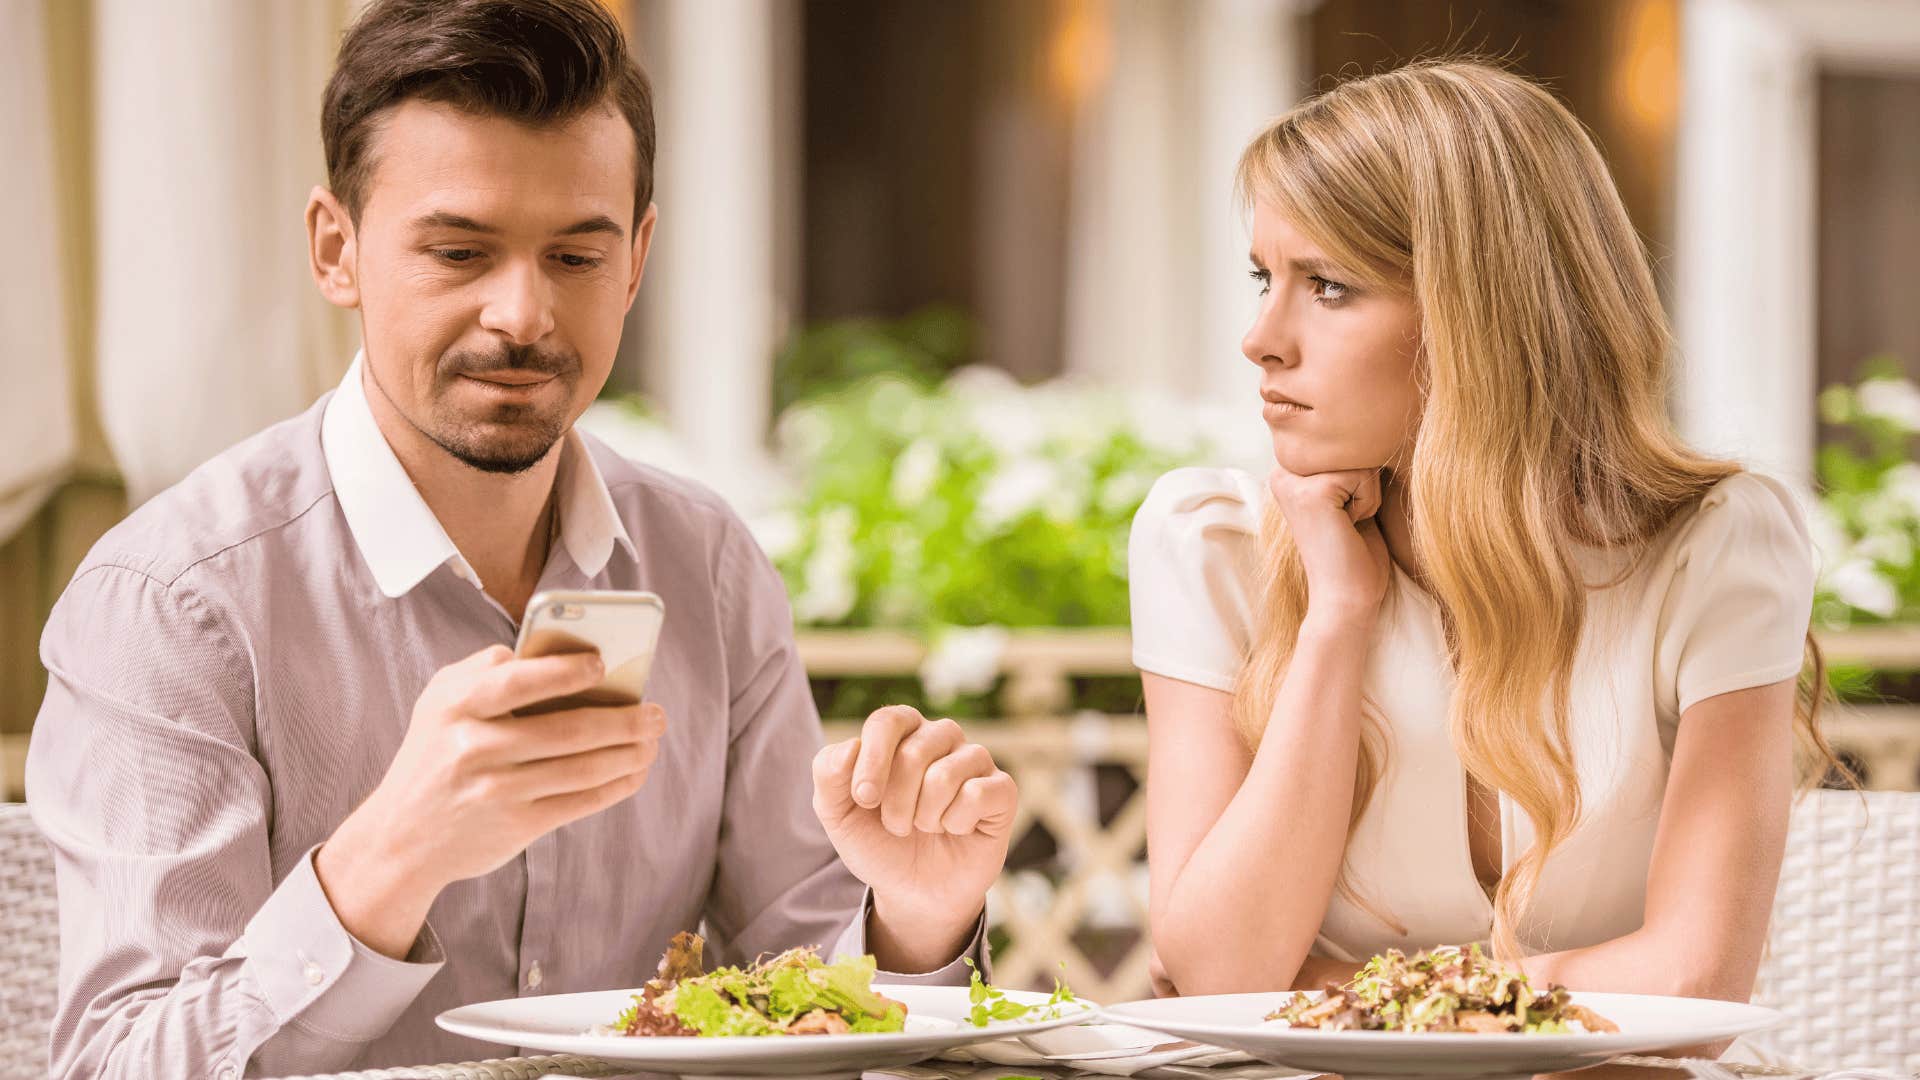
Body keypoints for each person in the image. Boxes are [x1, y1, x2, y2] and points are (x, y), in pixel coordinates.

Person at [26, 2, 1016, 1076]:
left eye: (575, 258)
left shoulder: (707, 563)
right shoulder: (171, 602)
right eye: (459, 252)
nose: (522, 314)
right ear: (336, 248)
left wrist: (913, 921)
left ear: (636, 260)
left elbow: (807, 992)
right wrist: (389, 858)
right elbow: (113, 1064)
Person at [1130, 60, 1843, 1003]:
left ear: (1482, 314)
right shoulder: (1209, 546)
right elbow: (1218, 974)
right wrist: (1339, 617)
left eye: (1330, 287)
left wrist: (1347, 987)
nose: (1262, 337)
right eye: (1265, 277)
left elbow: (1696, 981)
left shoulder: (1714, 553)